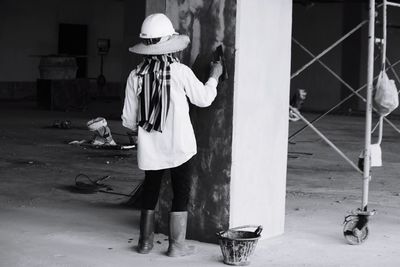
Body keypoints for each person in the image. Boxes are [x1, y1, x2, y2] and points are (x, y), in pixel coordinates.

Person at [121, 13, 223, 257]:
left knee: (151, 190)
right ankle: (176, 246)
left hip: (151, 150)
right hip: (180, 147)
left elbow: (127, 120)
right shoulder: (179, 72)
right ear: (169, 43)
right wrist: (215, 76)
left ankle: (145, 243)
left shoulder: (135, 76)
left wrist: (145, 131)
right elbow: (204, 98)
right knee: (181, 192)